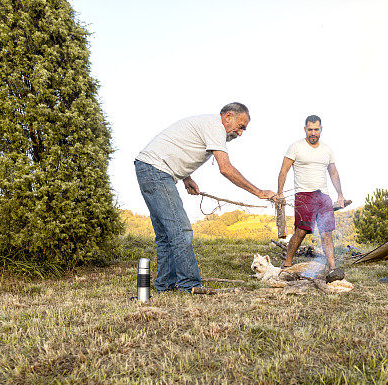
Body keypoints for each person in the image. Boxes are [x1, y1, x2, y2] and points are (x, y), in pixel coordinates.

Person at [135, 102, 277, 293]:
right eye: (241, 126)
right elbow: (225, 168)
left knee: (166, 235)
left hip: (149, 168)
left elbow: (176, 148)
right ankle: (189, 285)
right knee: (181, 231)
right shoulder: (216, 127)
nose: (240, 133)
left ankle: (166, 285)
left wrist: (186, 178)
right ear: (228, 116)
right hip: (156, 172)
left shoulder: (209, 125)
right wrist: (258, 192)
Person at [276, 115, 347, 282]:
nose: (313, 133)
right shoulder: (295, 147)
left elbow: (333, 173)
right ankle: (287, 264)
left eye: (316, 129)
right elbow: (284, 170)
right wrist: (279, 192)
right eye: (310, 129)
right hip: (303, 195)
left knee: (326, 233)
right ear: (305, 130)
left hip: (323, 196)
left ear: (321, 129)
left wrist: (340, 194)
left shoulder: (327, 149)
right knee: (300, 232)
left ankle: (332, 268)